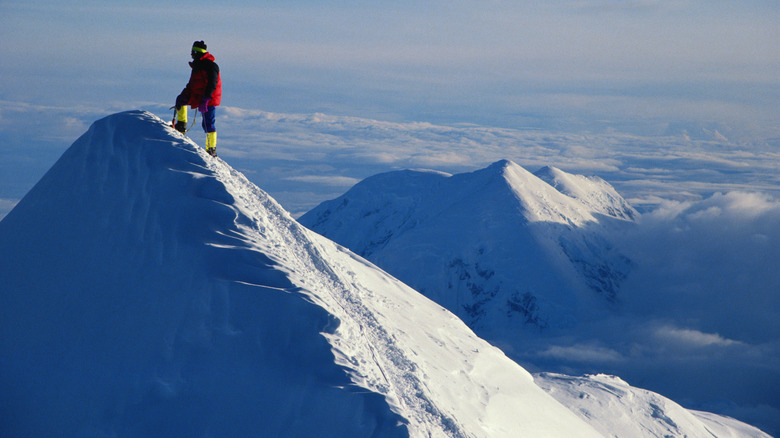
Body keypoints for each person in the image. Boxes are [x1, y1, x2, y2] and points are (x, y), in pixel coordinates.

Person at [174, 41, 222, 157]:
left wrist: (206, 99)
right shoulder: (197, 66)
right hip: (199, 95)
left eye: (193, 53)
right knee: (181, 100)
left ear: (196, 52)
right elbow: (191, 85)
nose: (191, 55)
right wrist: (183, 95)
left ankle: (211, 149)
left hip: (209, 98)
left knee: (208, 122)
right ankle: (181, 126)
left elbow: (212, 84)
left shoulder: (211, 66)